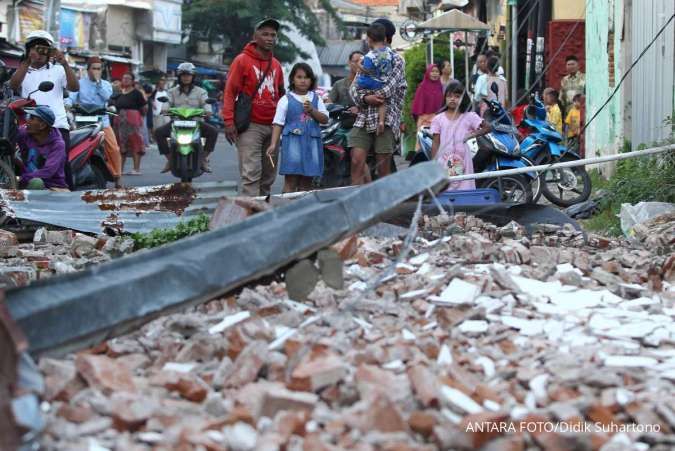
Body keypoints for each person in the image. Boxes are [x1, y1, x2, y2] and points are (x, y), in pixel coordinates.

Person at [222, 18, 285, 196]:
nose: (270, 38)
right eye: (265, 34)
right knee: (251, 176)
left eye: (273, 35)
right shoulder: (242, 61)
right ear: (255, 37)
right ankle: (250, 219)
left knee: (268, 177)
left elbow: (281, 96)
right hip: (250, 126)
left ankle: (261, 216)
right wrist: (228, 122)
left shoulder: (277, 65)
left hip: (273, 128)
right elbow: (229, 92)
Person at [9, 30, 79, 188]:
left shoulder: (58, 70)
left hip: (57, 125)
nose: (39, 53)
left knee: (62, 165)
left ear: (50, 52)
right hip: (31, 126)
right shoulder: (23, 70)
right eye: (35, 48)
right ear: (28, 50)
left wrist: (65, 63)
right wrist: (26, 62)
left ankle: (68, 197)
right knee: (26, 162)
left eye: (43, 49)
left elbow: (74, 88)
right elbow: (13, 86)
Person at [349, 17, 406, 185]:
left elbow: (388, 89)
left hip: (386, 119)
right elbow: (353, 89)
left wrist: (370, 95)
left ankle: (384, 208)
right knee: (356, 161)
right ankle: (355, 205)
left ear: (385, 38)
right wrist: (366, 98)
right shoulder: (367, 58)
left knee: (383, 168)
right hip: (364, 118)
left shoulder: (397, 60)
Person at [266, 63, 328, 193]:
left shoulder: (317, 99)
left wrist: (312, 110)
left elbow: (324, 119)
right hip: (293, 143)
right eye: (299, 77)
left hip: (312, 143)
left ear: (311, 80)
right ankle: (287, 210)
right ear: (292, 79)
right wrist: (273, 144)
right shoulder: (286, 99)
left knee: (307, 181)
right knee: (291, 180)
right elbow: (278, 123)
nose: (303, 80)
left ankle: (302, 211)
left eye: (306, 77)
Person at [154, 62, 219, 173]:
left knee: (213, 132)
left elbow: (206, 103)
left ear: (193, 76)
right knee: (158, 132)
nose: (186, 77)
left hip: (196, 123)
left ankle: (203, 158)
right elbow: (167, 102)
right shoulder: (172, 91)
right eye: (183, 75)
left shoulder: (201, 91)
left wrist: (208, 111)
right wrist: (165, 109)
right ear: (179, 76)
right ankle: (170, 159)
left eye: (188, 75)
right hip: (177, 123)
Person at [69, 56, 123, 188]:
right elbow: (70, 97)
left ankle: (117, 177)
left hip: (102, 121)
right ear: (88, 70)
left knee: (114, 148)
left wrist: (98, 83)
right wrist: (68, 106)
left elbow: (107, 97)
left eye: (98, 69)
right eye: (94, 68)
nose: (96, 71)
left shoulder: (105, 84)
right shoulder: (79, 83)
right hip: (81, 122)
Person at [430, 81, 489, 191]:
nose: (453, 99)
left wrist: (472, 135)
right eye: (449, 96)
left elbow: (487, 128)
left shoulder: (469, 117)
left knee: (464, 192)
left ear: (463, 99)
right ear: (445, 98)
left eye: (457, 96)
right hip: (444, 161)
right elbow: (435, 142)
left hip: (464, 160)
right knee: (446, 192)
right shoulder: (438, 119)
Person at [354, 23, 394, 136]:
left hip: (370, 82)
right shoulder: (387, 53)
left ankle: (361, 105)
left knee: (358, 84)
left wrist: (359, 65)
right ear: (384, 38)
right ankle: (381, 121)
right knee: (382, 102)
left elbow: (367, 70)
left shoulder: (369, 55)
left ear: (370, 39)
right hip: (382, 81)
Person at [16, 106, 67, 190]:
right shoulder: (25, 133)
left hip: (51, 185)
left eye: (32, 118)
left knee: (36, 182)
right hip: (27, 180)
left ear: (42, 125)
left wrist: (22, 178)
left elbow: (48, 172)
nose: (27, 121)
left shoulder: (58, 144)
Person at [111, 72, 146, 175]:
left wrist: (139, 117)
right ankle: (120, 169)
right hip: (120, 121)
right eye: (124, 78)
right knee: (121, 144)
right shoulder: (118, 93)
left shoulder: (137, 93)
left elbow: (144, 107)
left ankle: (136, 169)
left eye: (128, 78)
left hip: (133, 121)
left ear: (132, 81)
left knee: (135, 143)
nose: (125, 80)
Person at [411, 64, 444, 154]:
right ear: (428, 73)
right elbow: (417, 106)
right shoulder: (422, 87)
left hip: (438, 120)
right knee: (422, 146)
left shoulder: (440, 87)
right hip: (424, 121)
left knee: (437, 146)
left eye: (437, 71)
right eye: (432, 71)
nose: (435, 74)